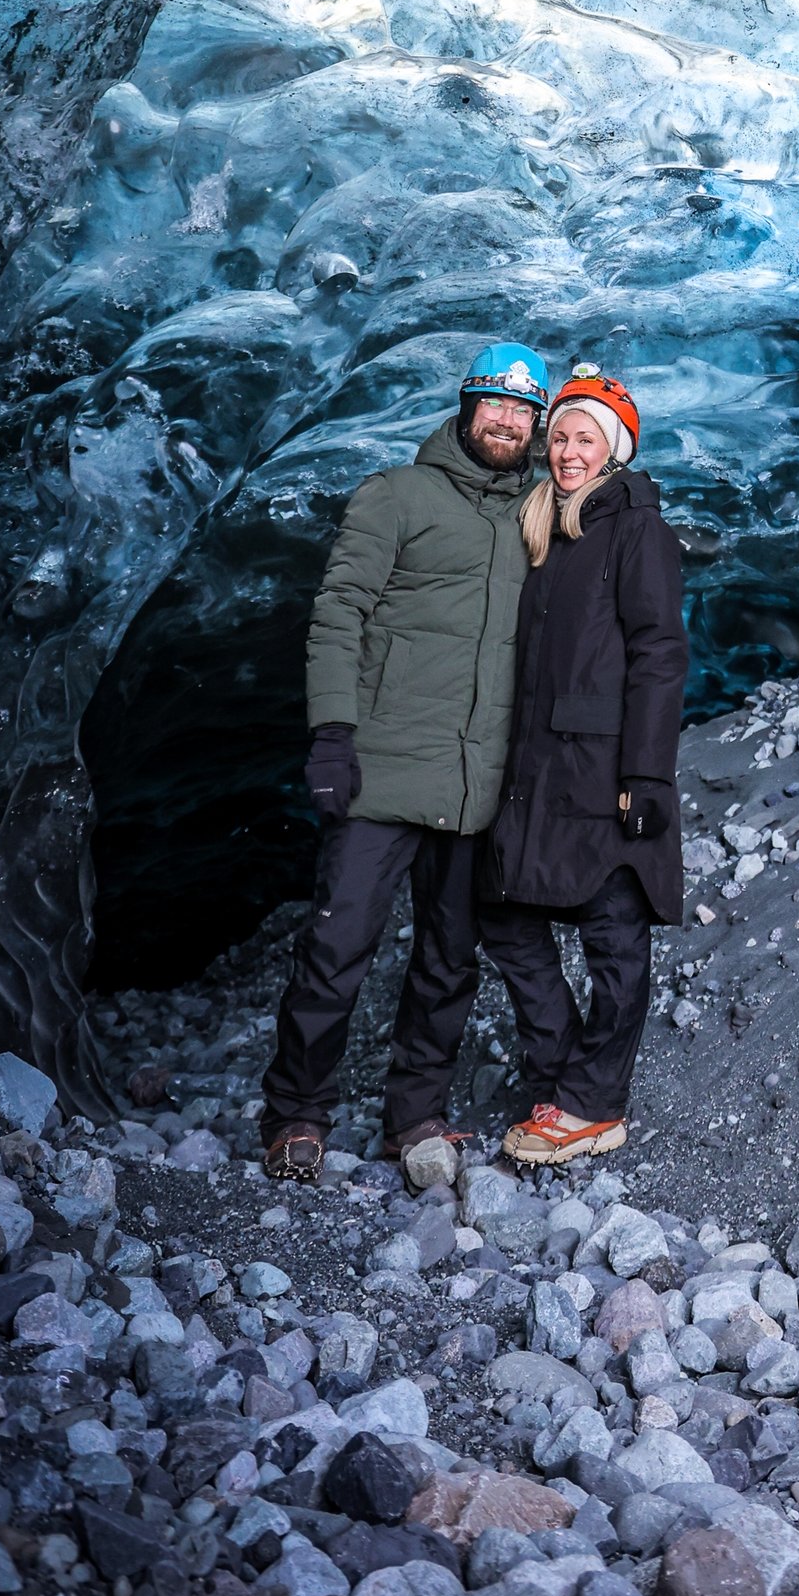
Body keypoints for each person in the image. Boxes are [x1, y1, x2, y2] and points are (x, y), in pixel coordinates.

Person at [258, 342, 548, 1188]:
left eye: (521, 410)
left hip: (476, 782)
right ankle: (296, 1114)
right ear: (466, 408)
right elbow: (336, 615)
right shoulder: (397, 496)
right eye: (493, 403)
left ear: (535, 424)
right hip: (382, 771)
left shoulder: (535, 515)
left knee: (448, 960)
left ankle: (414, 1117)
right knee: (336, 948)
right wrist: (332, 737)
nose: (506, 420)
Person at [483, 368, 687, 1166]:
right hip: (539, 776)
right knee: (502, 917)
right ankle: (563, 1071)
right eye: (560, 437)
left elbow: (660, 653)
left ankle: (594, 1105)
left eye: (585, 440)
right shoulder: (548, 528)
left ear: (615, 453)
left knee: (613, 936)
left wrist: (647, 776)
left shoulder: (637, 530)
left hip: (603, 777)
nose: (568, 452)